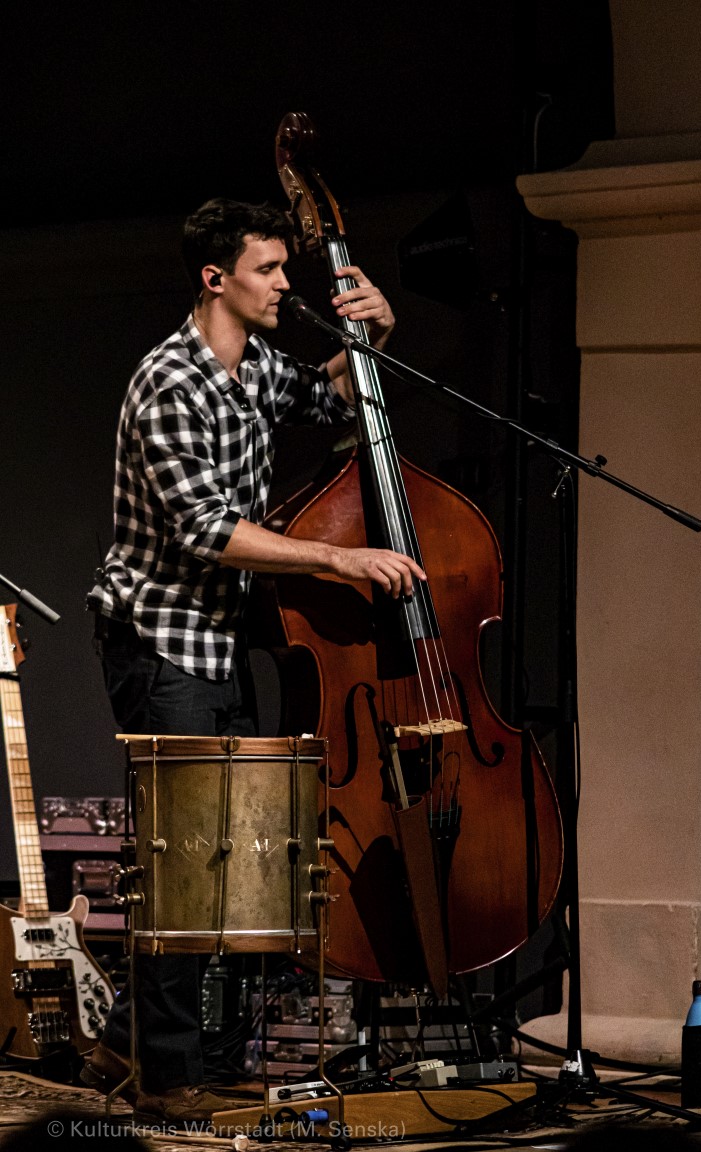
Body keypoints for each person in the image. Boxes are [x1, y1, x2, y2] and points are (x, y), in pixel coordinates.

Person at [82, 196, 425, 1125]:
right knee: (187, 857)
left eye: (283, 267)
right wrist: (337, 559)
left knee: (234, 858)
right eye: (267, 270)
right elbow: (205, 530)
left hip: (223, 639)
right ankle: (166, 1075)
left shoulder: (258, 368)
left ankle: (137, 1041)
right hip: (161, 637)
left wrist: (375, 334)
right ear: (215, 278)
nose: (282, 284)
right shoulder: (171, 381)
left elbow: (334, 396)